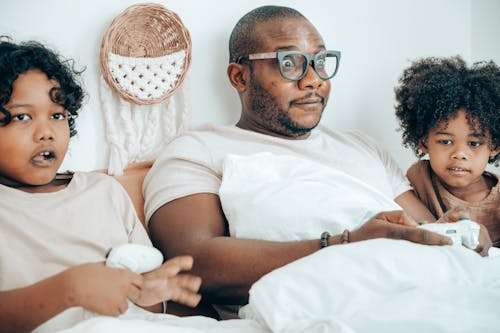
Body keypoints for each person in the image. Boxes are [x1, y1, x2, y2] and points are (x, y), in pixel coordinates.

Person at [143, 5, 482, 315]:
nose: (314, 79)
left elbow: (422, 232)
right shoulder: (198, 150)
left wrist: (459, 231)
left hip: (428, 293)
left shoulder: (363, 147)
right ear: (239, 77)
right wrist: (343, 246)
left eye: (320, 62)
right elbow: (190, 263)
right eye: (290, 63)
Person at [0, 38, 201, 333]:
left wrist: (148, 293)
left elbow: (147, 303)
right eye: (22, 117)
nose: (46, 133)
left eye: (57, 115)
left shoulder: (103, 190)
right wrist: (67, 289)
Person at [395, 56, 500, 247]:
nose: (459, 153)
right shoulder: (419, 177)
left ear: (494, 148)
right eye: (445, 141)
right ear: (424, 143)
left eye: (474, 144)